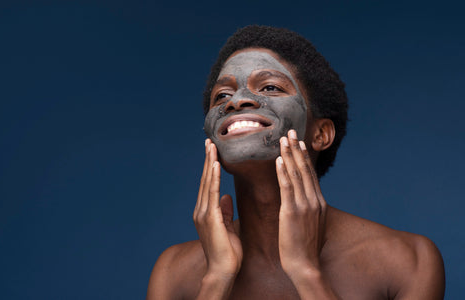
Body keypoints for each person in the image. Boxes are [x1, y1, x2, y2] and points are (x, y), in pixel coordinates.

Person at [146, 25, 445, 299]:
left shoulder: (408, 261)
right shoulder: (173, 274)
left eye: (270, 87)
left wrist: (306, 272)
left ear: (321, 134)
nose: (236, 102)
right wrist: (217, 278)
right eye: (222, 94)